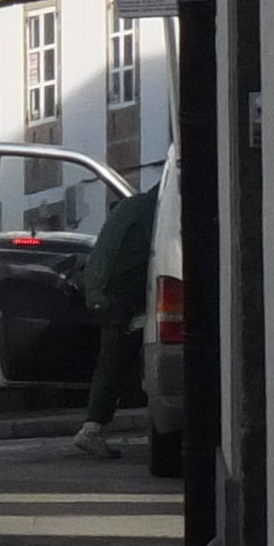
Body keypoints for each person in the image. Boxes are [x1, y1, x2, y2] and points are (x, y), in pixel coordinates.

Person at [72, 177, 157, 459]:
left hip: (98, 288)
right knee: (115, 359)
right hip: (116, 294)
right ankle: (92, 429)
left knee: (114, 358)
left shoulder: (133, 205)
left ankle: (93, 426)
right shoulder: (154, 214)